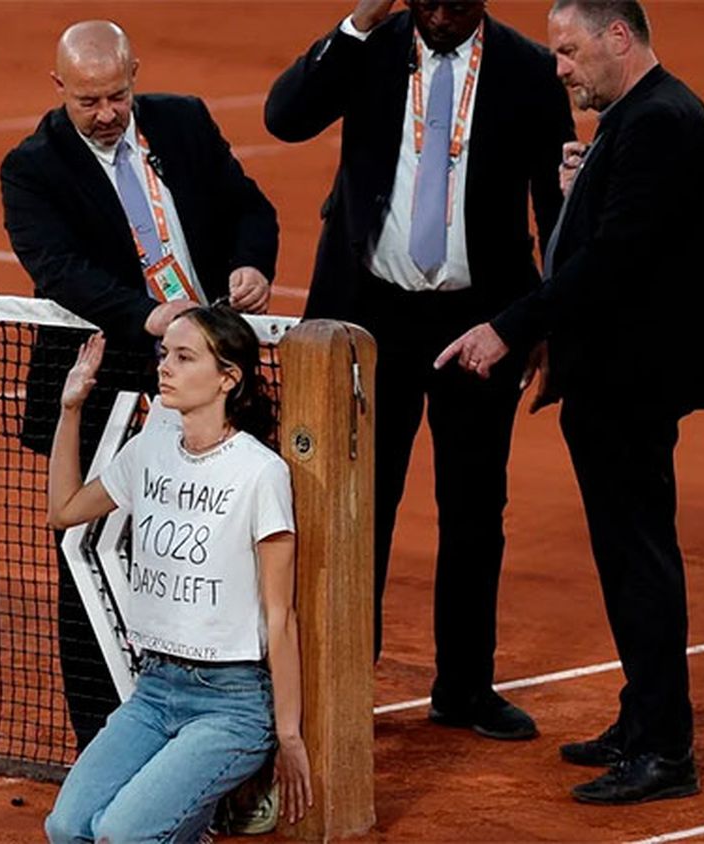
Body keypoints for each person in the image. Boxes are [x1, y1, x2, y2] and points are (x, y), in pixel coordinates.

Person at [263, 0, 575, 741]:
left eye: (453, 1)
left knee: (474, 511)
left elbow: (556, 204)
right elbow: (286, 117)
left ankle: (464, 687)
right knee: (359, 508)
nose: (436, 12)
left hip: (481, 324)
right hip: (368, 321)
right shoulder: (371, 47)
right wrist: (356, 22)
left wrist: (541, 321)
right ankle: (344, 681)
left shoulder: (530, 70)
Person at [436, 0, 704, 804]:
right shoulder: (637, 116)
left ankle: (666, 750)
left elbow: (615, 260)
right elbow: (599, 235)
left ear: (618, 38)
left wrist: (509, 328)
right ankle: (643, 718)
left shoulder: (662, 121)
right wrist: (581, 184)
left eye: (569, 51)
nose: (558, 67)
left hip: (633, 380)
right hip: (610, 377)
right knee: (625, 558)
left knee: (640, 564)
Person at [0, 20, 279, 752]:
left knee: (222, 553)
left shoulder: (182, 122)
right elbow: (58, 268)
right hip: (112, 385)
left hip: (212, 382)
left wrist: (252, 263)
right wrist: (150, 316)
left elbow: (252, 205)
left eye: (117, 95)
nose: (106, 113)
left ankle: (225, 732)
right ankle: (102, 736)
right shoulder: (31, 168)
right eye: (88, 100)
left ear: (134, 77)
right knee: (89, 558)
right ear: (59, 89)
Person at [42, 305, 313, 843]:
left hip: (231, 704)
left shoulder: (261, 473)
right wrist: (70, 408)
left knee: (121, 835)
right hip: (154, 689)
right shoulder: (150, 450)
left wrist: (289, 735)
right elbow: (65, 510)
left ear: (228, 378)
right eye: (165, 353)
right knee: (67, 827)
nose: (165, 366)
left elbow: (280, 616)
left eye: (185, 357)